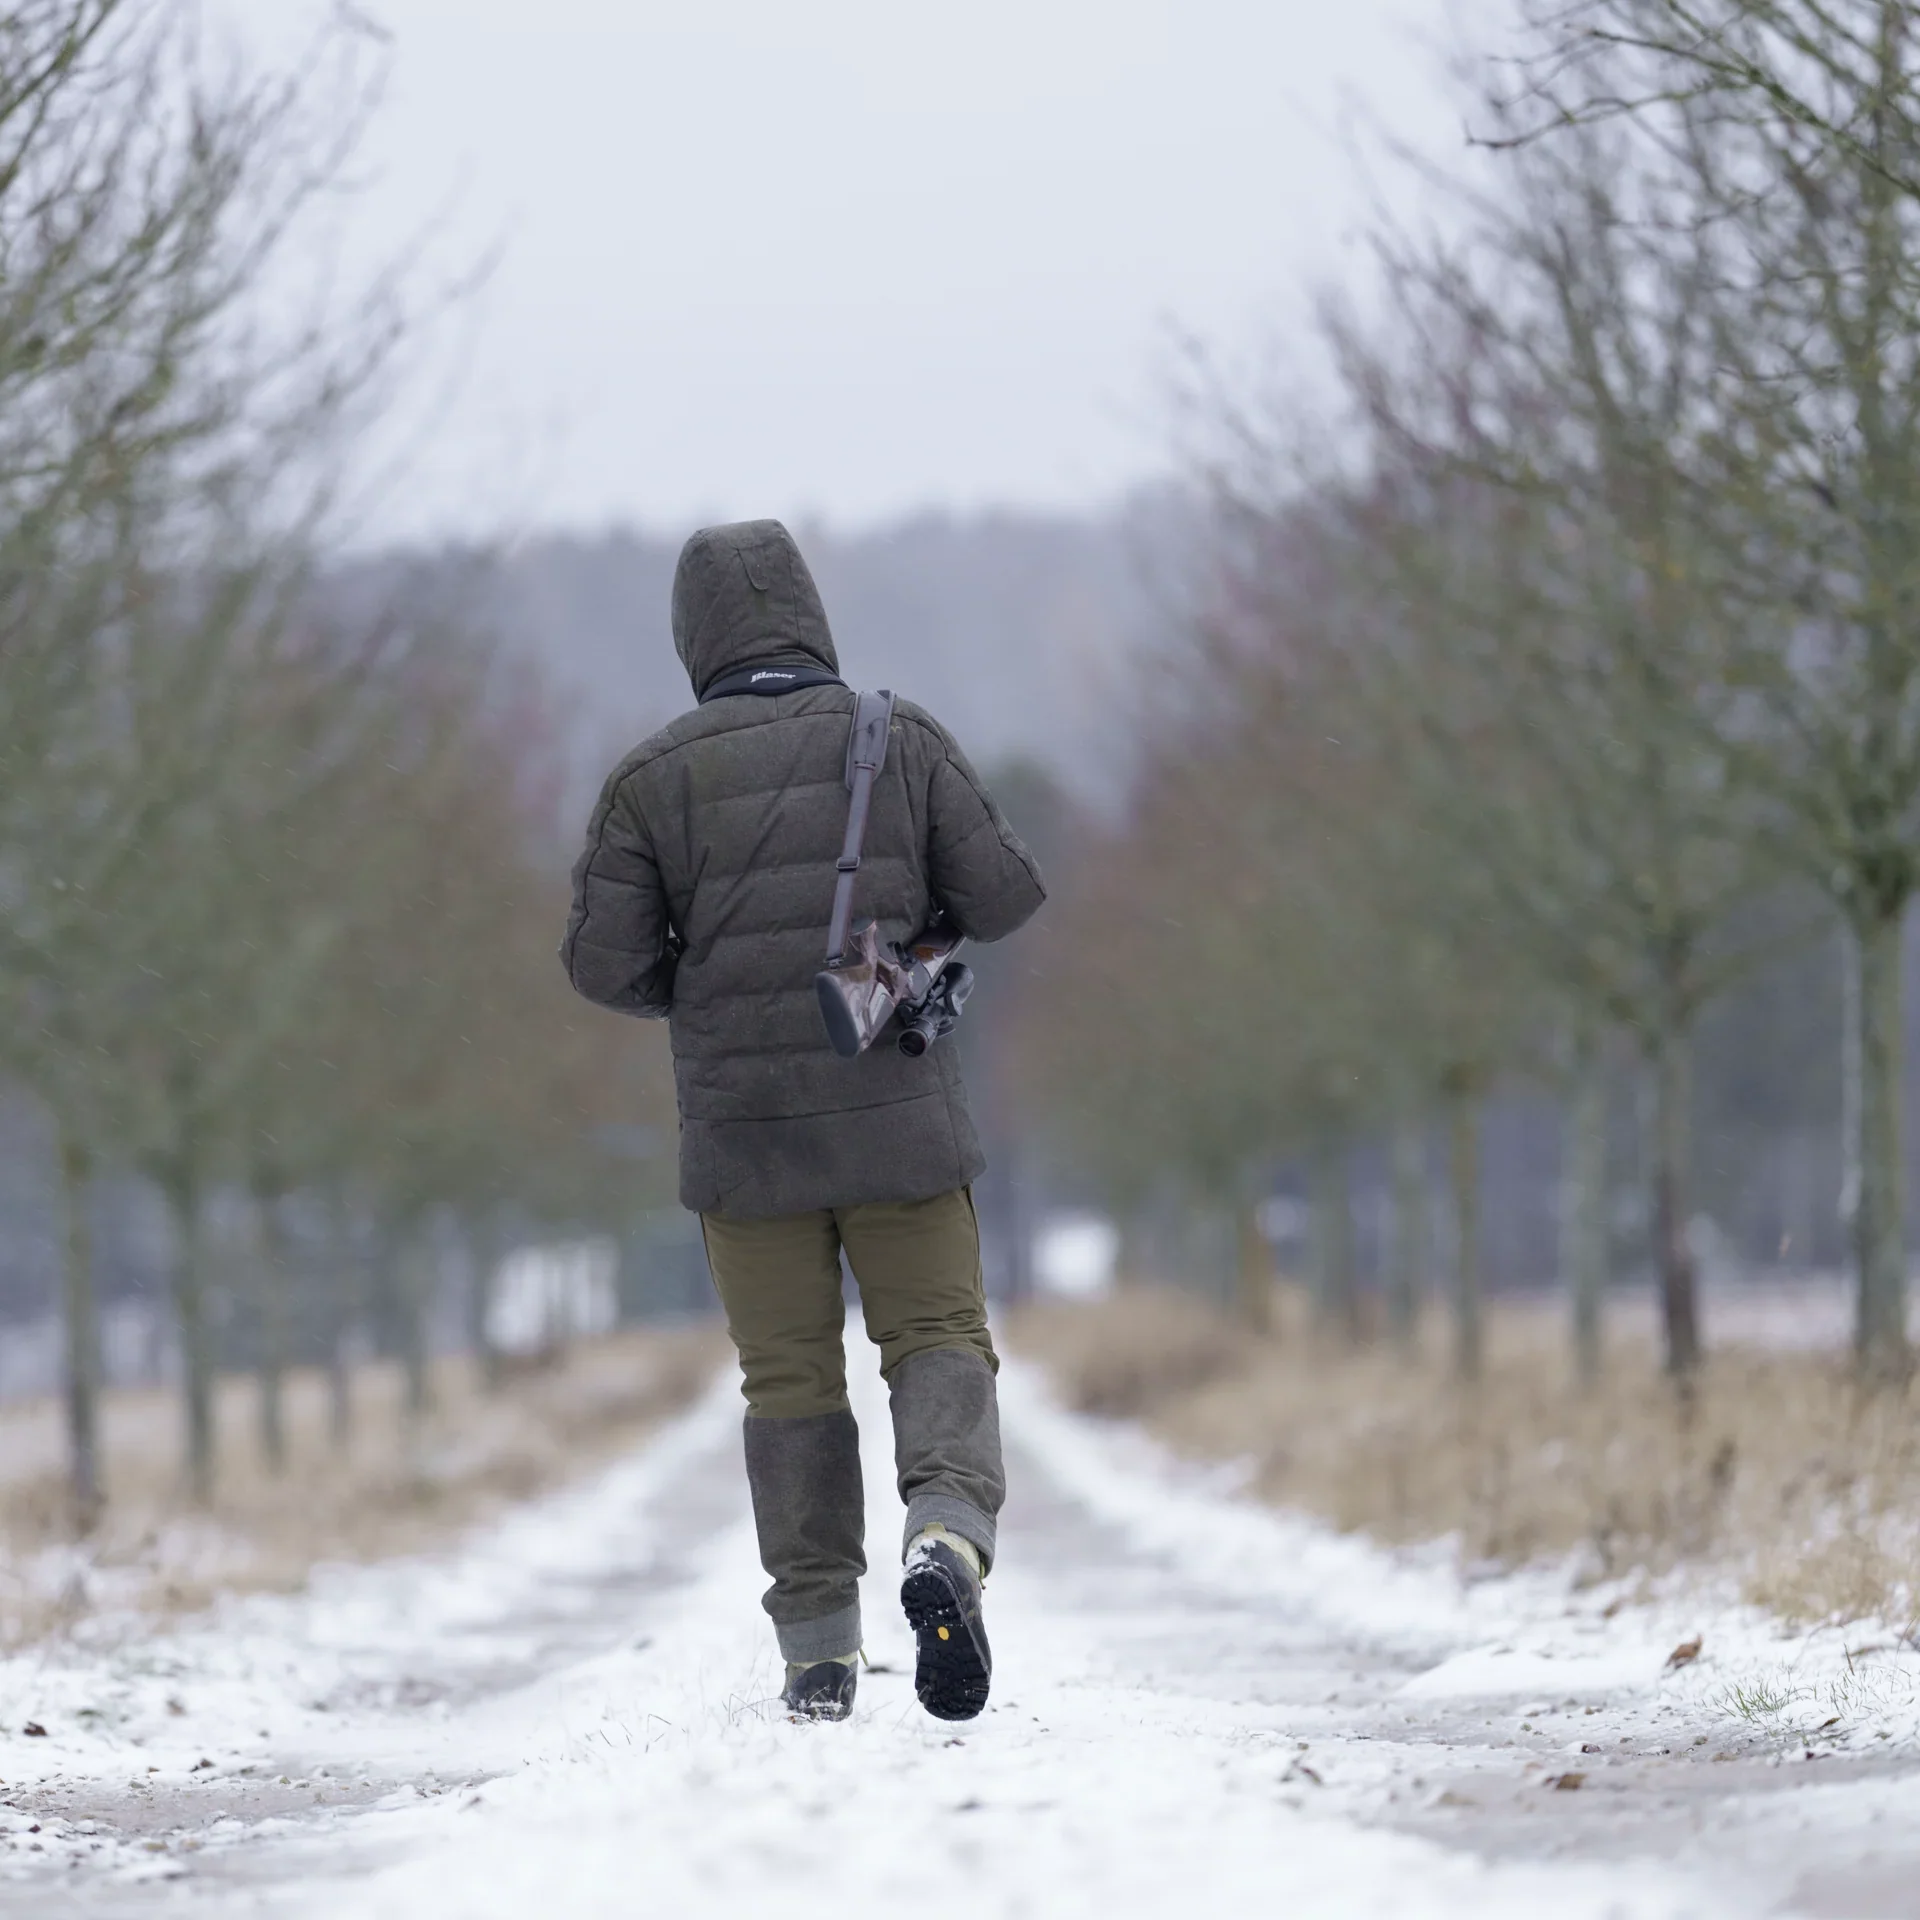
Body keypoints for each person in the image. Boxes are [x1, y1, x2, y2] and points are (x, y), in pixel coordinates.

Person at [561, 519, 1045, 1723]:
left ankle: (819, 1648)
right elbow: (1005, 893)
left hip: (745, 1139)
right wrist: (908, 926)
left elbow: (599, 963)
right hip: (896, 1115)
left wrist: (706, 982)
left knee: (789, 1385)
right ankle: (945, 1537)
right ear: (809, 613)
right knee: (935, 1337)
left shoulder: (648, 780)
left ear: (693, 638)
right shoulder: (899, 737)